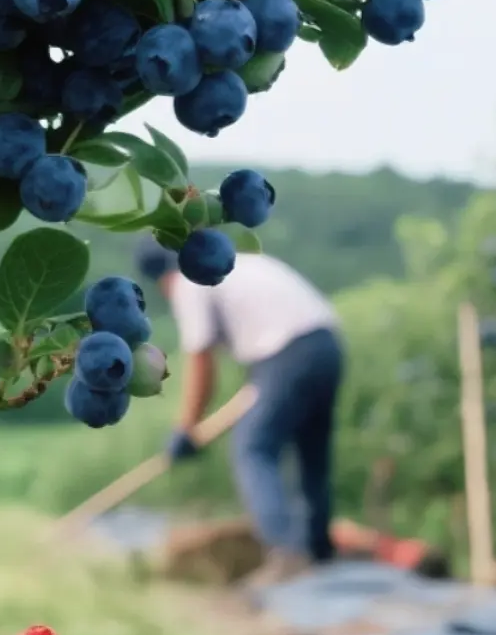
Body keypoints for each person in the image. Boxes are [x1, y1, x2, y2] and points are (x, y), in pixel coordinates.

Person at [135, 236, 344, 577]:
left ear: (161, 278)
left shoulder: (192, 279)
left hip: (285, 353)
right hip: (326, 344)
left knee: (253, 447)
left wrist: (185, 428)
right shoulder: (235, 263)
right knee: (312, 454)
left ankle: (287, 554)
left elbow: (201, 360)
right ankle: (319, 551)